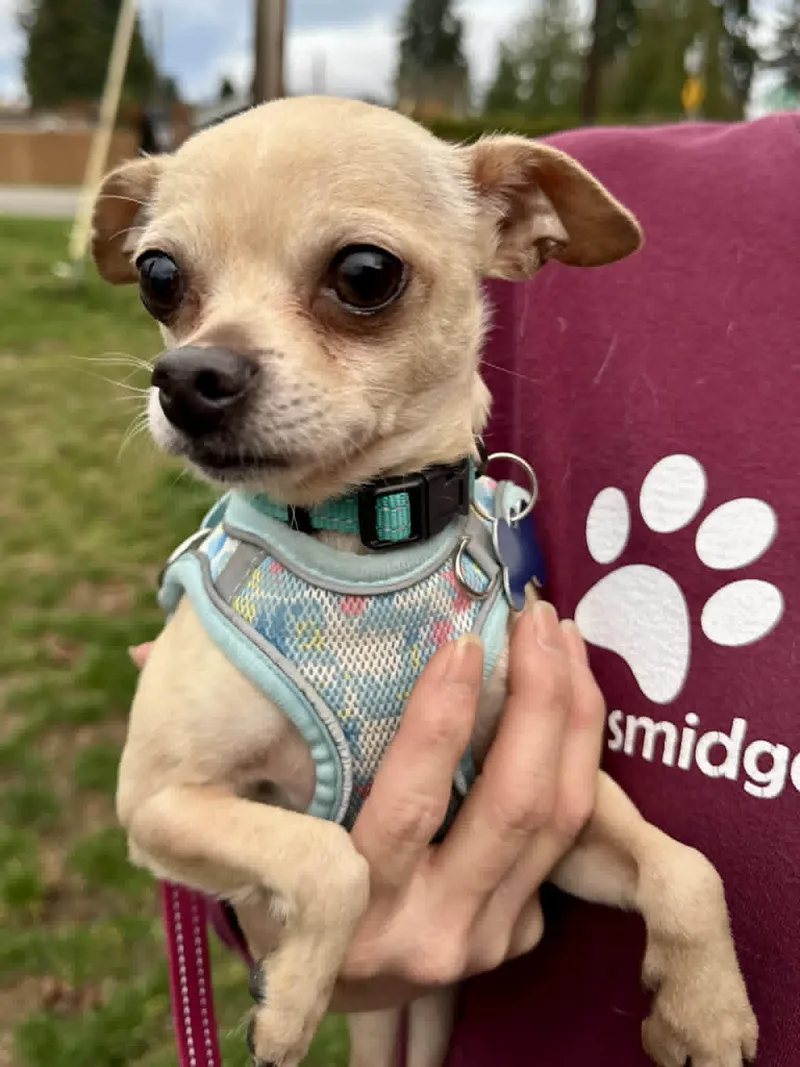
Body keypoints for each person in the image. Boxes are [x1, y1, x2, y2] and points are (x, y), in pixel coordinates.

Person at [131, 111, 800, 1066]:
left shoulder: (474, 579)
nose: (200, 357)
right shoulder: (243, 603)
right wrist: (298, 899)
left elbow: (544, 800)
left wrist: (678, 894)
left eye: (361, 280)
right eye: (170, 284)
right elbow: (167, 808)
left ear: (517, 223)